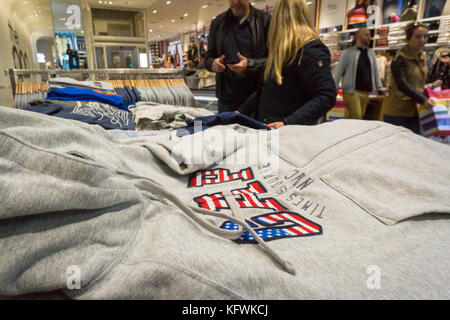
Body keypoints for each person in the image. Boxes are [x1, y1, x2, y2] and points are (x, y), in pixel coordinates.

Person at [237, 0, 336, 127]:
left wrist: (288, 122)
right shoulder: (286, 50)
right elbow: (269, 88)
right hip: (271, 130)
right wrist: (242, 111)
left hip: (289, 137)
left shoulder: (310, 50)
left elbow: (326, 95)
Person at [204, 0, 271, 113]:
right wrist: (213, 64)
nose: (235, 2)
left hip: (257, 97)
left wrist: (249, 65)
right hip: (227, 99)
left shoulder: (265, 21)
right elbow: (208, 58)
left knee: (256, 131)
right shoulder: (218, 23)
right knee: (226, 130)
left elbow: (276, 60)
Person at [383, 22, 443, 134]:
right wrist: (423, 99)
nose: (422, 40)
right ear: (408, 38)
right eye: (418, 36)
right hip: (398, 111)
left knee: (416, 146)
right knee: (397, 147)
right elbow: (402, 84)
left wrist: (431, 85)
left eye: (425, 36)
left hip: (416, 110)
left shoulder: (423, 57)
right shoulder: (400, 58)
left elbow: (417, 84)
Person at [335, 28, 383, 120]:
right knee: (356, 117)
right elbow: (338, 72)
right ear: (359, 36)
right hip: (351, 91)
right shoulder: (347, 53)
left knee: (357, 117)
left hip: (365, 92)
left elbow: (375, 72)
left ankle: (344, 131)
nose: (370, 37)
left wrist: (379, 89)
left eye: (369, 34)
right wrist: (333, 90)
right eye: (367, 35)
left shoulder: (371, 53)